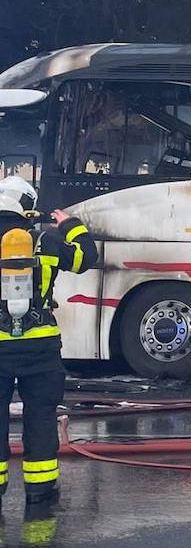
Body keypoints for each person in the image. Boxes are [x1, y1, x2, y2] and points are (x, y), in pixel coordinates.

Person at [0, 175, 97, 504]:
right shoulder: (46, 240)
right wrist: (71, 224)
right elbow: (87, 258)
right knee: (40, 415)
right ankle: (39, 489)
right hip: (40, 348)